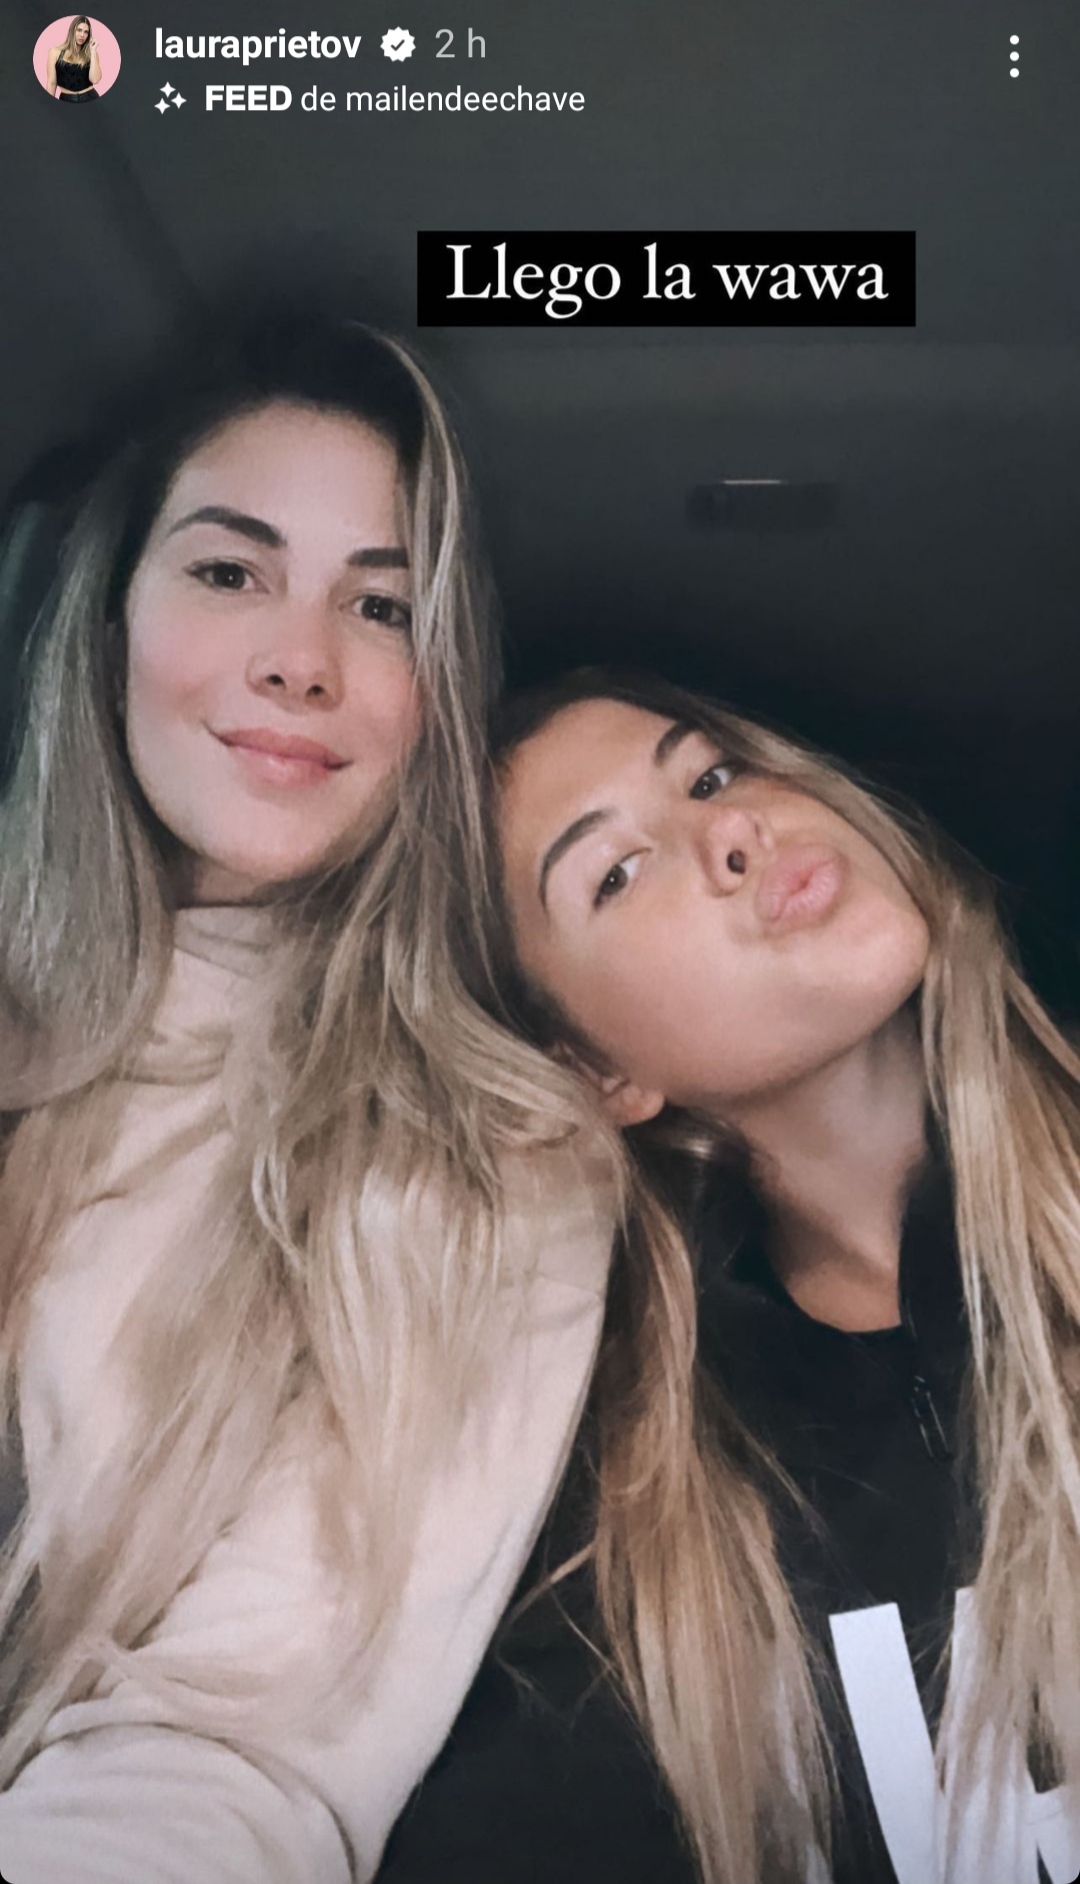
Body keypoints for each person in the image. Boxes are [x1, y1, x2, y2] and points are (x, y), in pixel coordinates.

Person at [0, 325, 614, 1882]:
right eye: (230, 571)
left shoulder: (497, 1158)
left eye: (382, 604)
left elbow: (243, 1753)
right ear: (107, 618)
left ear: (436, 695)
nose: (304, 659)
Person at [378, 666, 1080, 1884]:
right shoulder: (637, 1531)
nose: (733, 832)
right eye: (615, 872)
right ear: (597, 1072)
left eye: (712, 775)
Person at [46, 17, 102, 101]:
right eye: (79, 30)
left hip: (90, 97)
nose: (82, 35)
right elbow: (51, 83)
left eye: (86, 32)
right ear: (72, 31)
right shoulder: (55, 52)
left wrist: (93, 51)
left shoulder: (91, 54)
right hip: (66, 99)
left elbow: (95, 80)